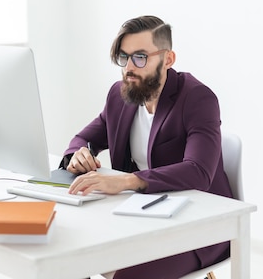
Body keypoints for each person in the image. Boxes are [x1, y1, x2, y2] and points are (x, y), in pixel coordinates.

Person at [62, 15, 232, 279]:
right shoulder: (121, 96)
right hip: (139, 219)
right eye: (124, 57)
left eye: (140, 57)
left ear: (168, 59)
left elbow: (199, 171)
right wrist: (77, 155)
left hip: (197, 228)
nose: (129, 67)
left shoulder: (197, 98)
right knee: (66, 259)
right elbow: (84, 139)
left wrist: (128, 181)